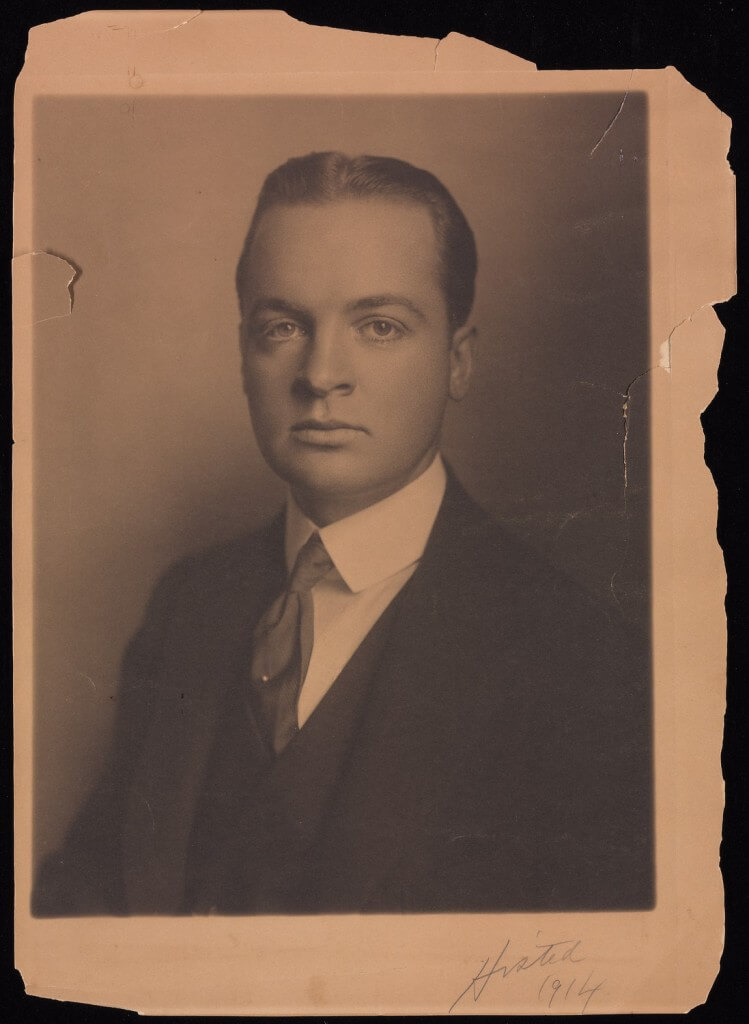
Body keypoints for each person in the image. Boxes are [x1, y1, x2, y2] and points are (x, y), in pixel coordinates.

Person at [33, 152, 653, 915]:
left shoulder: (581, 659)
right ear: (242, 353)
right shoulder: (189, 604)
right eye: (283, 326)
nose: (321, 373)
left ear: (457, 361)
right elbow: (83, 907)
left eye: (379, 326)